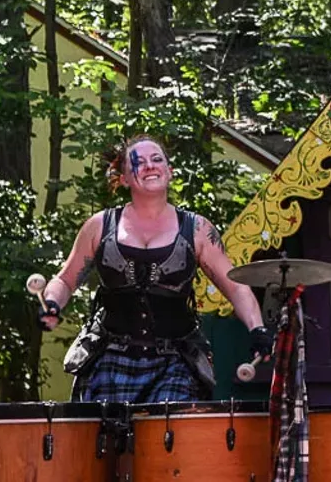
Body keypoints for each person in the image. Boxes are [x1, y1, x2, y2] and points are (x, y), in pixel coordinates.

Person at [38, 135, 271, 402]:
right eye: (139, 162)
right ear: (124, 178)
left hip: (174, 361)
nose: (149, 166)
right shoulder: (99, 226)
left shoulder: (196, 229)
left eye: (157, 159)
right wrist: (52, 304)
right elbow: (66, 280)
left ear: (169, 172)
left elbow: (236, 287)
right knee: (103, 440)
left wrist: (258, 330)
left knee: (167, 436)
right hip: (110, 357)